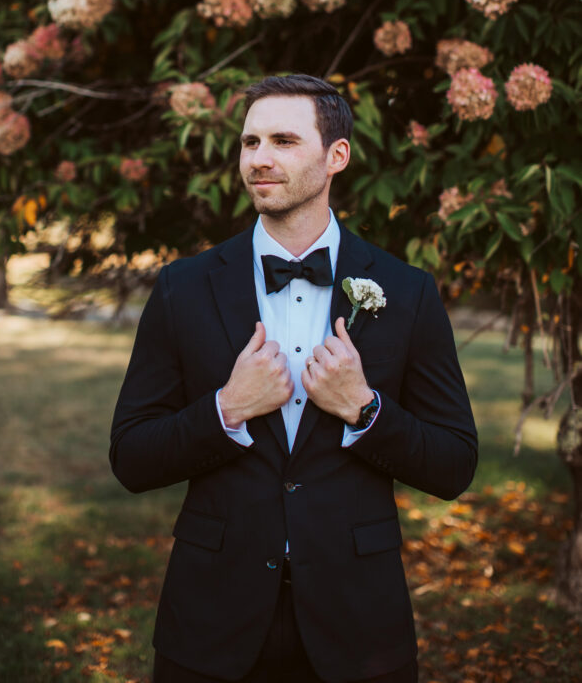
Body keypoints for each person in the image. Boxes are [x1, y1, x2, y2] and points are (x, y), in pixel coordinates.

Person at [110, 73, 477, 683]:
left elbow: (454, 463)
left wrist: (365, 408)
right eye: (250, 142)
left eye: (283, 140)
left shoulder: (408, 291)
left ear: (337, 156)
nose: (259, 159)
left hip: (359, 627)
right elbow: (131, 456)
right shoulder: (183, 287)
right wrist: (225, 409)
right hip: (210, 623)